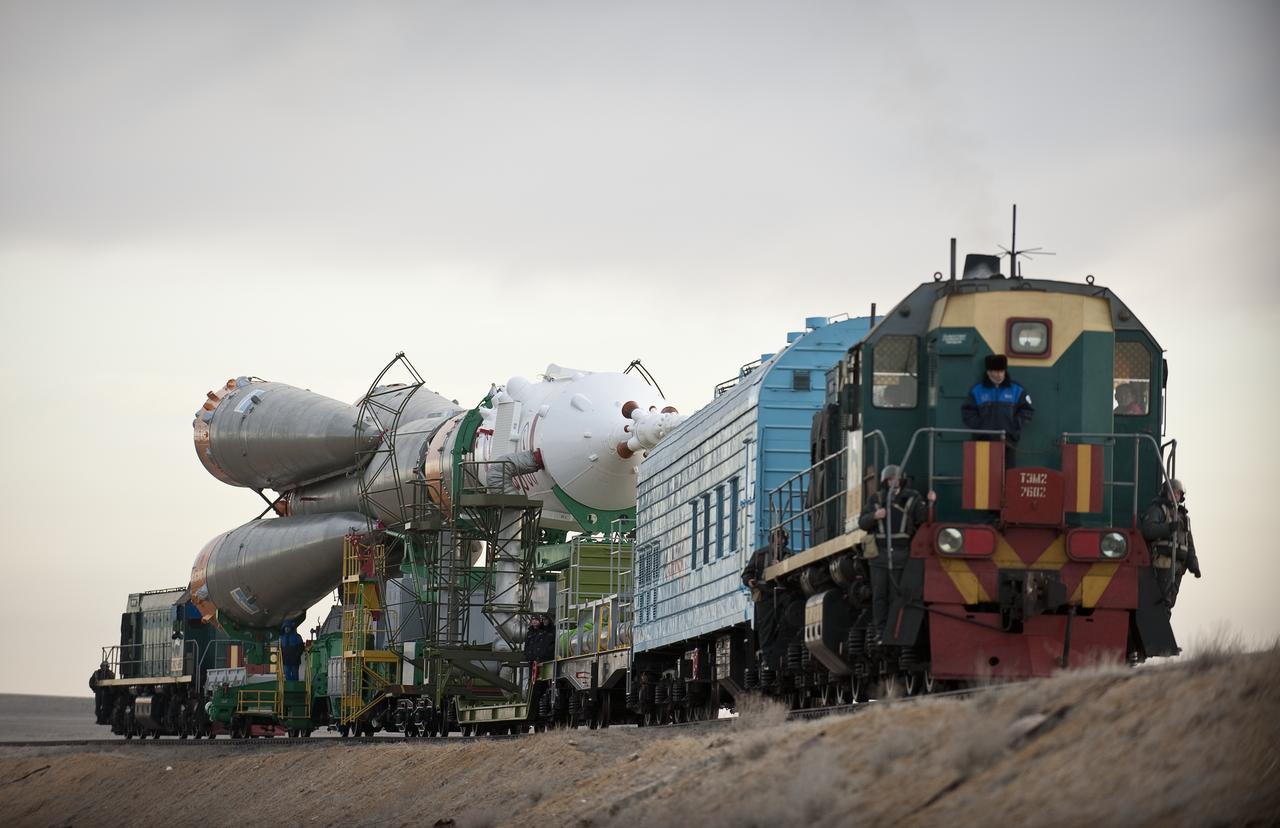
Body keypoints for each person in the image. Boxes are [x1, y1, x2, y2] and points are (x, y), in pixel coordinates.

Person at [858, 465, 934, 642]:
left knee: (896, 595)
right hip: (878, 556)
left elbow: (923, 519)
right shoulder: (875, 499)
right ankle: (880, 630)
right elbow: (862, 523)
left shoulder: (912, 498)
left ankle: (893, 631)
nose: (894, 482)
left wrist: (930, 503)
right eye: (890, 479)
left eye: (896, 479)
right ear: (885, 481)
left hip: (900, 555)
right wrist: (875, 516)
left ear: (902, 480)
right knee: (879, 595)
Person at [962, 354, 1034, 468]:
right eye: (996, 371)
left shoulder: (1017, 389)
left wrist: (1013, 426)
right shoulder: (977, 390)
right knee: (984, 474)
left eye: (1002, 371)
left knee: (1007, 475)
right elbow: (968, 412)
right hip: (983, 442)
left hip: (1008, 442)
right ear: (988, 372)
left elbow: (1027, 410)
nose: (999, 374)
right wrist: (981, 428)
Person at [1141, 479, 1201, 607]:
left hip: (1179, 566)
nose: (1176, 496)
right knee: (1162, 600)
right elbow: (1148, 530)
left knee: (1170, 603)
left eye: (1178, 493)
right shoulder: (1158, 509)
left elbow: (1189, 543)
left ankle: (1163, 622)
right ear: (1165, 493)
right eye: (1173, 493)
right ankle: (1158, 622)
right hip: (1163, 562)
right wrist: (1168, 528)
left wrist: (1193, 565)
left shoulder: (1183, 517)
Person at [741, 527, 794, 668]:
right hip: (764, 597)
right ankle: (767, 658)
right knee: (766, 629)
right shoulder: (759, 555)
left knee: (786, 624)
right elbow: (747, 573)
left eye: (781, 538)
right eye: (776, 538)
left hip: (783, 594)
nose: (779, 541)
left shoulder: (790, 555)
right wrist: (749, 581)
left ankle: (783, 655)